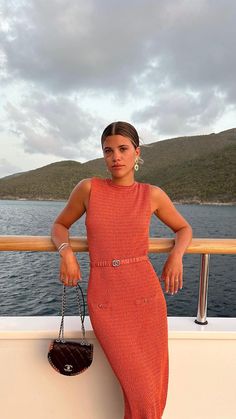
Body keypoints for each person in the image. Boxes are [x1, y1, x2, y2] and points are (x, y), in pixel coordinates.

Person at [51, 121, 192, 419]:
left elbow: (183, 228)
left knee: (149, 390)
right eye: (108, 150)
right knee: (139, 387)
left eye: (123, 149)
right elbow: (60, 226)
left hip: (146, 297)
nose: (116, 156)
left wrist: (176, 256)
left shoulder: (151, 194)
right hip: (106, 301)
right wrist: (67, 254)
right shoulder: (89, 189)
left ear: (136, 153)